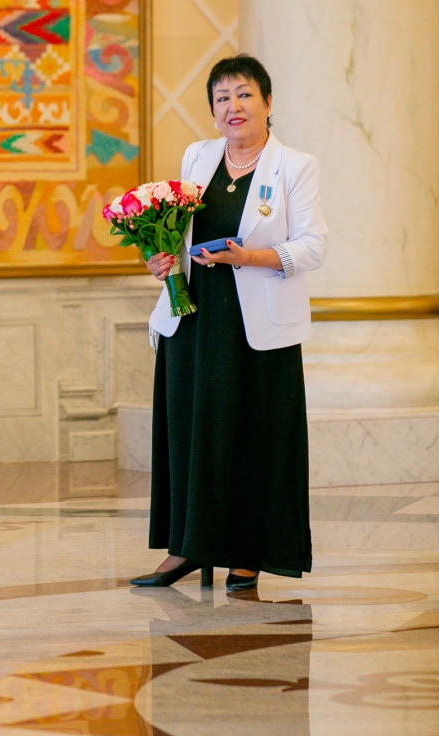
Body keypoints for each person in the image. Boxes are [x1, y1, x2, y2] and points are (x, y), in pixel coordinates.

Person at [132, 54, 327, 592]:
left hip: (257, 327)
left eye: (244, 95)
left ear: (267, 103)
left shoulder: (295, 166)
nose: (233, 107)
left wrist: (249, 258)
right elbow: (179, 232)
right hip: (192, 320)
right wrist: (160, 257)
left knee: (254, 437)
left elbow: (313, 247)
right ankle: (186, 548)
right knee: (190, 432)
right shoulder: (198, 157)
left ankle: (248, 555)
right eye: (222, 98)